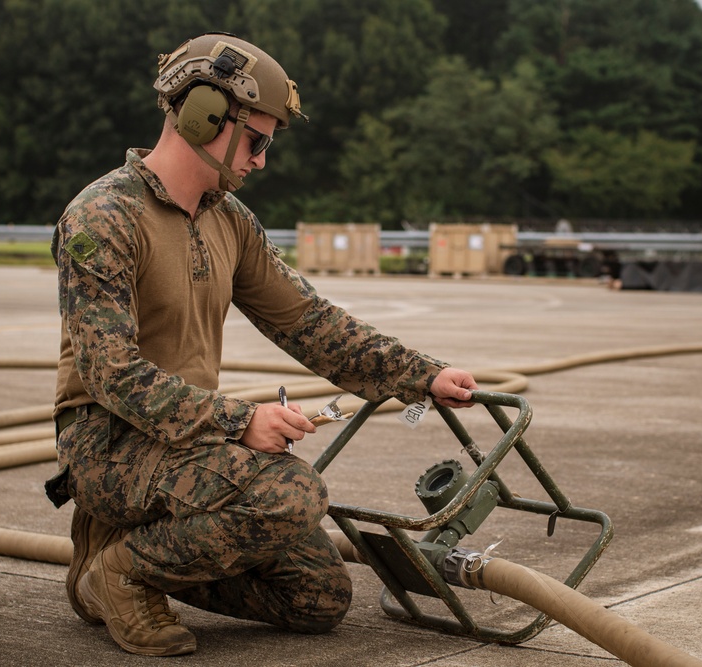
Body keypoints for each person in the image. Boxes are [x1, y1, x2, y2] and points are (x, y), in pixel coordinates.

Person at [44, 32, 478, 657]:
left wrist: (422, 377)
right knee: (292, 493)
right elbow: (111, 373)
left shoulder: (228, 219)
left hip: (185, 442)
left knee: (319, 596)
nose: (262, 160)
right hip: (108, 443)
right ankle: (125, 575)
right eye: (257, 140)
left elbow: (309, 322)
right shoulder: (103, 216)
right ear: (205, 117)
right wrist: (240, 419)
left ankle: (113, 557)